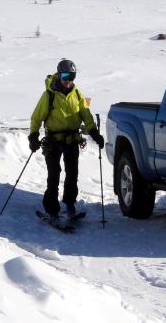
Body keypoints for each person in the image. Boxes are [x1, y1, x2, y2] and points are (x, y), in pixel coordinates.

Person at [28, 59, 104, 223]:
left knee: (72, 175)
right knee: (54, 175)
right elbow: (36, 117)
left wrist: (94, 133)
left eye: (72, 76)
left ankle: (70, 205)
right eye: (65, 76)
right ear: (59, 74)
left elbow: (86, 115)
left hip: (72, 140)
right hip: (53, 141)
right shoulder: (49, 95)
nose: (68, 80)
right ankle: (52, 210)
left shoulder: (77, 94)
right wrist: (33, 136)